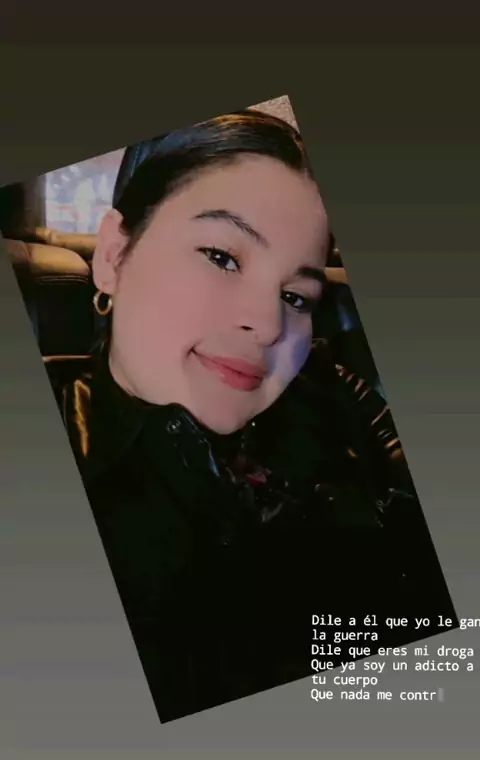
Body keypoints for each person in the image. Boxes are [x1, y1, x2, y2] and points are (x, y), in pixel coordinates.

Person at [47, 110, 456, 722]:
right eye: (221, 256)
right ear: (113, 254)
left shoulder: (337, 397)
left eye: (296, 296)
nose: (268, 325)